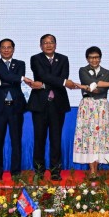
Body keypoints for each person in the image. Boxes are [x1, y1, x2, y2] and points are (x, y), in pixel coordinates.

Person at [25, 33, 75, 181]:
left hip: (58, 104)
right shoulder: (35, 59)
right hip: (40, 104)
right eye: (45, 43)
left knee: (56, 139)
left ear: (55, 45)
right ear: (41, 46)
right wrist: (62, 82)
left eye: (51, 42)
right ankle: (39, 170)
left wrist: (45, 84)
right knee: (39, 138)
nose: (48, 45)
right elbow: (42, 75)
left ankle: (55, 171)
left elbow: (62, 76)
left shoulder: (63, 59)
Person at [72, 46, 109, 174]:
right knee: (89, 136)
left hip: (102, 106)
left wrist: (88, 86)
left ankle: (97, 167)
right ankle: (92, 170)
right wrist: (91, 86)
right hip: (87, 106)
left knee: (101, 136)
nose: (94, 60)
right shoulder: (83, 70)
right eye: (91, 58)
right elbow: (90, 84)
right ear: (87, 59)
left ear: (100, 58)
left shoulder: (107, 72)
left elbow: (100, 90)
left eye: (96, 57)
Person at [0, 38, 26, 181]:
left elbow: (14, 80)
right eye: (3, 47)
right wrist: (16, 79)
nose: (6, 50)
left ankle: (16, 172)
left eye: (9, 47)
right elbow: (9, 77)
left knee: (16, 140)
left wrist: (0, 82)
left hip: (16, 107)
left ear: (13, 49)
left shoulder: (20, 64)